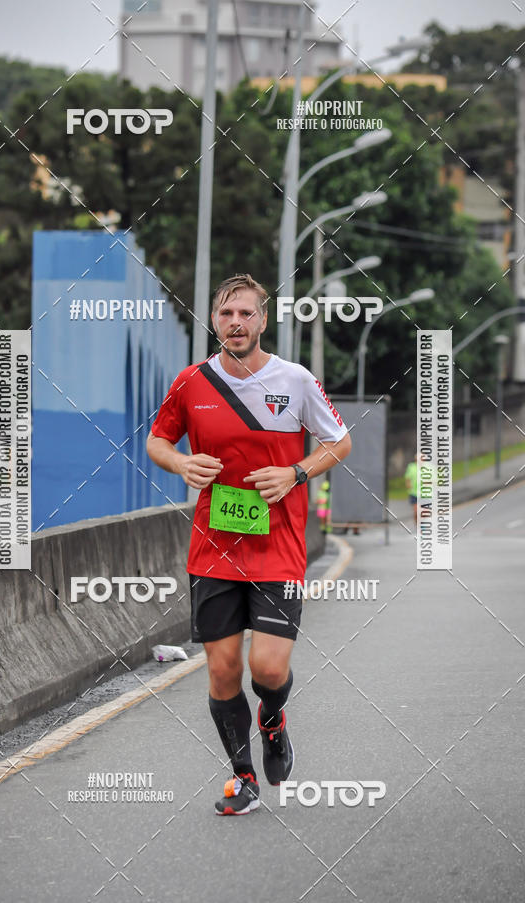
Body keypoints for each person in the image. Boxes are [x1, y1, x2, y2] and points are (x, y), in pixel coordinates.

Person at [146, 273, 352, 815]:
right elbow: (157, 440)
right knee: (220, 671)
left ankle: (274, 719)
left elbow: (339, 441)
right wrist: (181, 462)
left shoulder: (296, 380)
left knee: (267, 668)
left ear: (263, 319)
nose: (235, 323)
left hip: (278, 547)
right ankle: (243, 776)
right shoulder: (192, 382)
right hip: (213, 547)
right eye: (225, 314)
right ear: (214, 321)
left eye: (245, 313)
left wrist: (295, 473)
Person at [405, 453, 424, 525]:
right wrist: (408, 484)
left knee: (423, 512)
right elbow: (407, 477)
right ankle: (417, 523)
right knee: (416, 510)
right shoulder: (411, 466)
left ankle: (421, 524)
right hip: (413, 492)